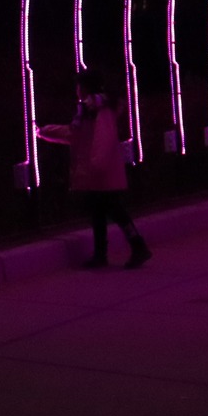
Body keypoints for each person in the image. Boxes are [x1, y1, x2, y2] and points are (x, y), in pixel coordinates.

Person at [38, 69, 150, 269]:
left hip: (102, 173)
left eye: (79, 86)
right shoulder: (88, 110)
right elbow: (75, 134)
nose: (77, 90)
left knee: (113, 211)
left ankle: (136, 247)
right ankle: (103, 254)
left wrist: (96, 164)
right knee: (101, 213)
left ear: (85, 87)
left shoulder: (99, 109)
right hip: (98, 173)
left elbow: (102, 138)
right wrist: (45, 132)